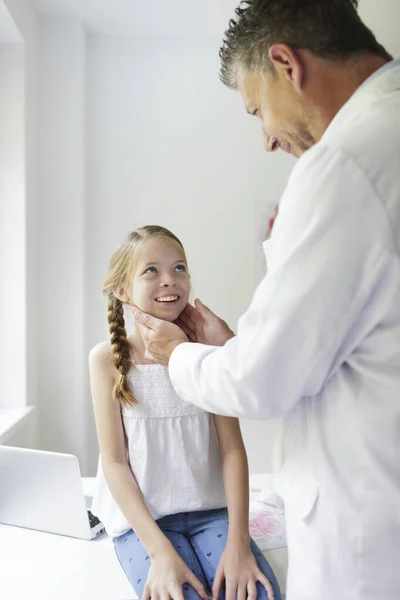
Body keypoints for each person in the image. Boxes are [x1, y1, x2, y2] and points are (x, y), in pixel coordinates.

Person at [131, 2, 400, 600]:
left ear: (286, 64)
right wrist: (239, 347)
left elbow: (261, 381)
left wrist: (180, 355)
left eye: (258, 111)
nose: (268, 139)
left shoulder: (345, 165)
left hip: (369, 542)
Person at [89, 225, 281, 600]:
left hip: (213, 514)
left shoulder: (207, 352)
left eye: (179, 268)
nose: (170, 280)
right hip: (143, 525)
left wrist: (239, 544)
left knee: (256, 593)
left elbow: (232, 451)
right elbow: (114, 464)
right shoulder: (107, 360)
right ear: (122, 290)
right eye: (152, 271)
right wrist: (160, 553)